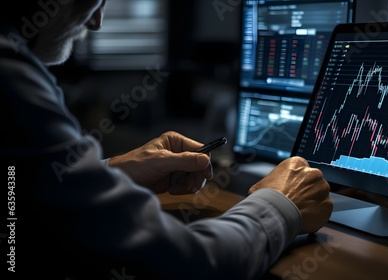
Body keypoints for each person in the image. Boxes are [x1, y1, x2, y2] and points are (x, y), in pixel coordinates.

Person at [1, 1, 333, 279]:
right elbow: (189, 267)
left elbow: (24, 194)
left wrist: (111, 173)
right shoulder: (10, 79)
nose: (96, 21)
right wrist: (279, 206)